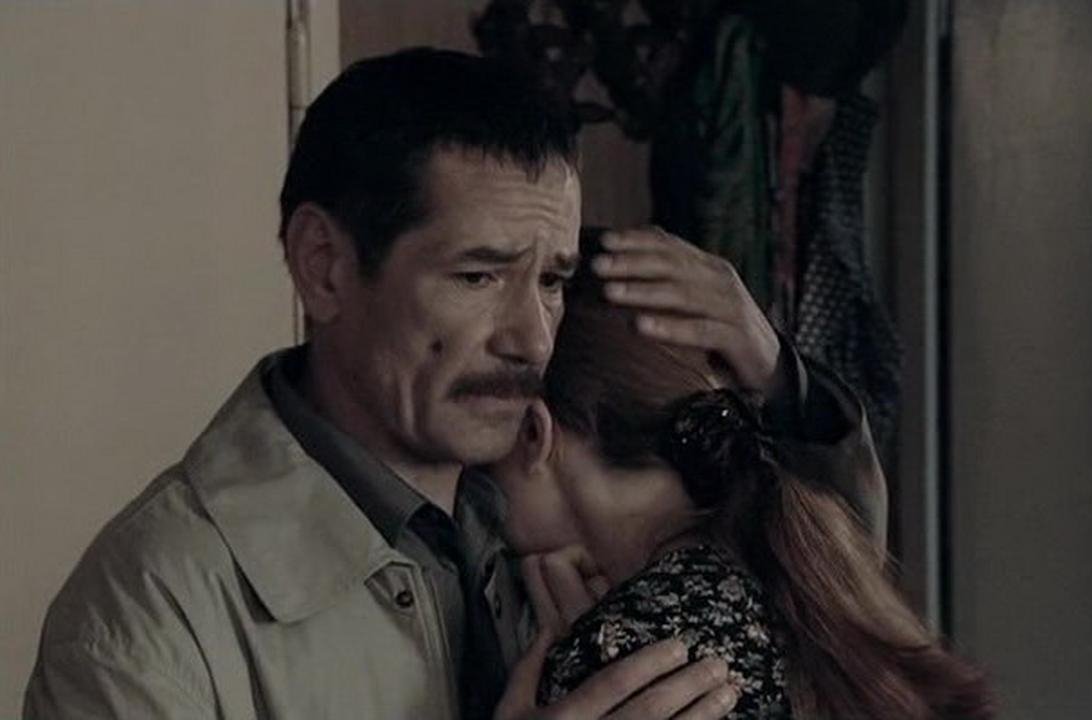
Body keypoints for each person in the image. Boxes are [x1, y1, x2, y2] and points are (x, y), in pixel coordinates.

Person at [24, 47, 885, 719]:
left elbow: (833, 594)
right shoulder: (150, 612)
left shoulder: (560, 525)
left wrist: (776, 373)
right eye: (478, 276)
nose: (532, 337)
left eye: (551, 280)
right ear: (323, 266)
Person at [487, 244, 995, 719]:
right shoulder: (805, 572)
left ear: (534, 432)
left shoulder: (622, 669)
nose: (475, 477)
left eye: (484, 449)